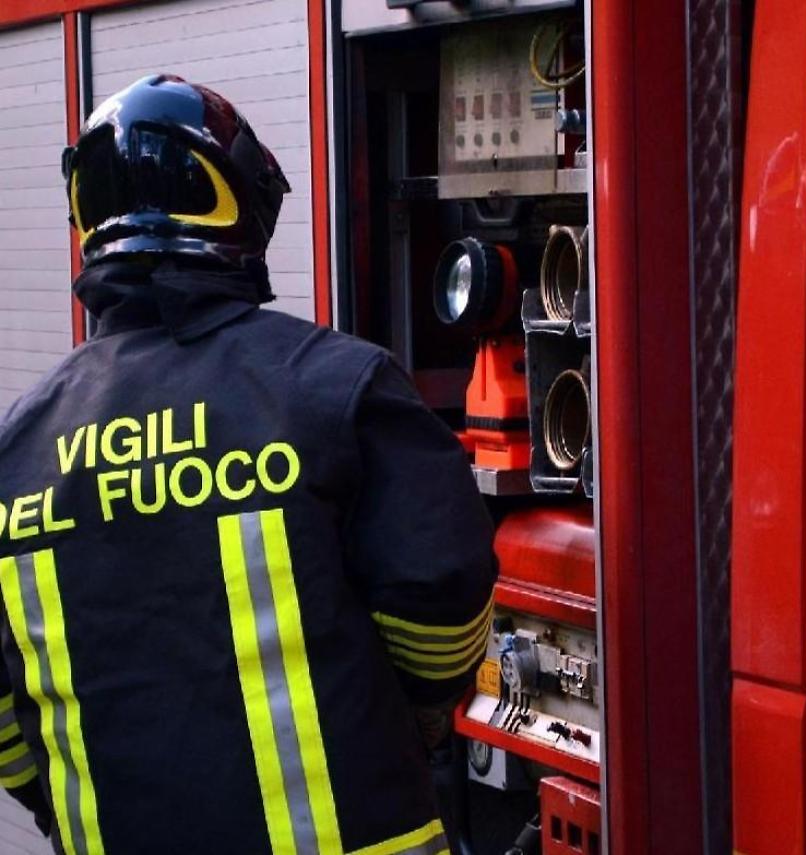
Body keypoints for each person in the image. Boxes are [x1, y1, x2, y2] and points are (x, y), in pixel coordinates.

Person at [0, 74, 496, 855]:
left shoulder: (15, 447)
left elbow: (7, 723)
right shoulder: (337, 388)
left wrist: (67, 802)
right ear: (236, 201)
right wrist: (408, 715)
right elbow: (443, 592)